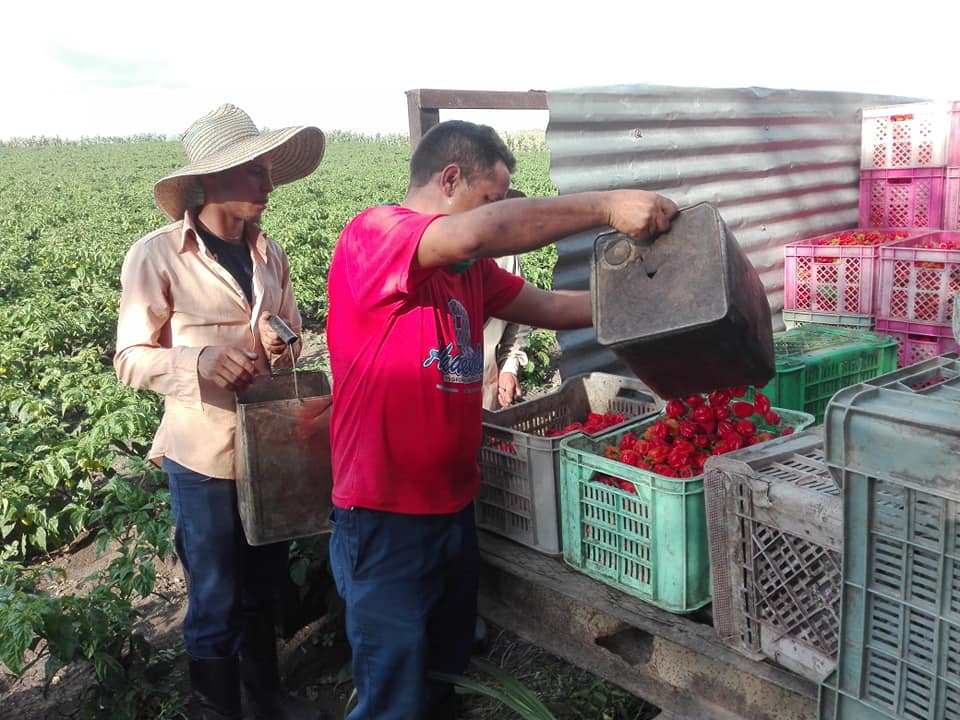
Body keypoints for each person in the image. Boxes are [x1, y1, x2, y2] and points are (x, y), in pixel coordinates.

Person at [322, 118, 678, 720]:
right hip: (385, 516)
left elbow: (551, 307)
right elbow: (475, 236)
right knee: (392, 690)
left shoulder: (470, 274)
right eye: (492, 197)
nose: (496, 215)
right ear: (451, 178)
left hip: (452, 507)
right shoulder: (376, 234)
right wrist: (606, 206)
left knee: (443, 668)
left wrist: (643, 302)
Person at [114, 103, 326, 720]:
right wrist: (197, 362)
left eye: (267, 171)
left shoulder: (270, 254)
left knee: (263, 584)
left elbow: (293, 328)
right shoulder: (156, 256)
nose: (268, 184)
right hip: (202, 455)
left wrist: (285, 337)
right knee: (215, 595)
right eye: (255, 172)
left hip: (268, 445)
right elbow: (129, 359)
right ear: (210, 181)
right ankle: (217, 710)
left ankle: (267, 699)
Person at [481, 189, 531, 412]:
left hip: (485, 386)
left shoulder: (506, 258)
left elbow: (520, 316)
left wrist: (509, 367)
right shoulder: (438, 261)